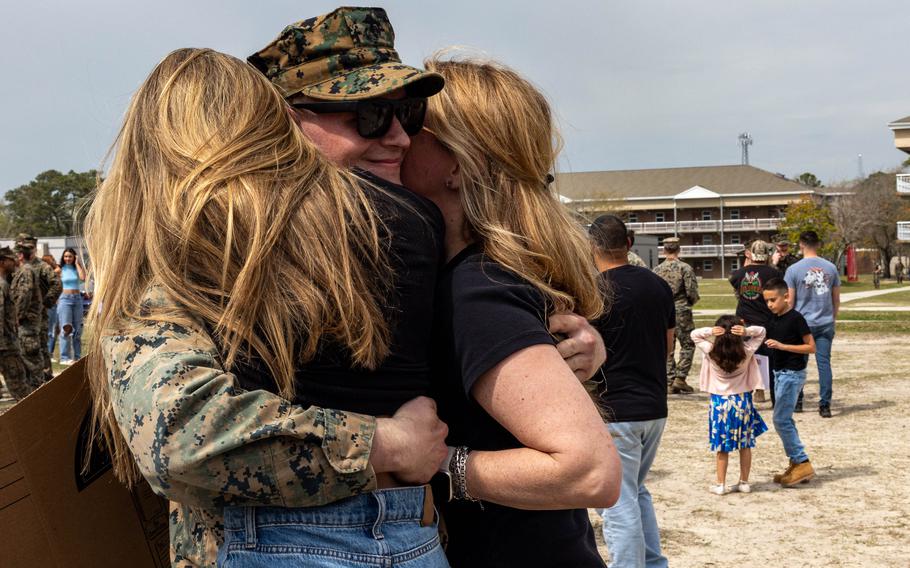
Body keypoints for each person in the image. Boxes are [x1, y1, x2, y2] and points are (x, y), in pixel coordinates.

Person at [402, 53, 620, 568]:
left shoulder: (477, 290)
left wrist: (440, 464)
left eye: (412, 121)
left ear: (457, 164)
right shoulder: (472, 277)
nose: (393, 133)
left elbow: (590, 472)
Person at [588, 215, 673, 568]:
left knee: (617, 502)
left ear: (592, 247)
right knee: (636, 492)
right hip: (654, 406)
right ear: (628, 243)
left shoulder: (594, 290)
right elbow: (668, 345)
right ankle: (653, 563)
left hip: (615, 409)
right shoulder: (658, 285)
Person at [692, 316, 768, 495]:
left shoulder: (711, 351)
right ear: (737, 333)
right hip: (742, 400)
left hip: (720, 403)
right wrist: (747, 331)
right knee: (745, 444)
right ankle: (744, 482)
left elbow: (694, 335)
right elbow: (762, 332)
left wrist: (710, 331)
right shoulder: (746, 351)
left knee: (722, 446)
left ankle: (720, 484)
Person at [762, 278, 817, 486]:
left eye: (773, 300)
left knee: (781, 420)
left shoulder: (796, 319)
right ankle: (796, 465)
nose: (769, 305)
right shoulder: (773, 319)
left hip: (792, 374)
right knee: (785, 419)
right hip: (779, 373)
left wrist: (783, 346)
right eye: (766, 301)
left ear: (786, 296)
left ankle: (802, 462)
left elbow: (811, 347)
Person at [784, 231, 839, 418]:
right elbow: (836, 298)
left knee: (799, 364)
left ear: (801, 245)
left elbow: (790, 301)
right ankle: (825, 405)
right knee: (824, 364)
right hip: (825, 321)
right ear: (818, 244)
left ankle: (798, 401)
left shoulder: (793, 269)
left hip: (802, 323)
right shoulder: (831, 268)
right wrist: (833, 317)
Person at [728, 240, 780, 403]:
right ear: (766, 254)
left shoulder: (738, 274)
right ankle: (774, 396)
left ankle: (750, 393)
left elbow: (735, 285)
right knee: (770, 359)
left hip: (745, 321)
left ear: (751, 254)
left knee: (748, 359)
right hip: (767, 320)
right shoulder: (774, 273)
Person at [654, 236, 699, 393]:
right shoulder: (685, 268)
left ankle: (668, 380)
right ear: (678, 249)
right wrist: (690, 303)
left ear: (664, 250)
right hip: (682, 310)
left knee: (667, 345)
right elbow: (691, 291)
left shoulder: (657, 270)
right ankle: (680, 378)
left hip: (663, 311)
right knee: (688, 343)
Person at [16, 234, 61, 379]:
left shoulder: (42, 266)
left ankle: (46, 376)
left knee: (40, 345)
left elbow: (57, 283)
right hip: (18, 314)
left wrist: (47, 301)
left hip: (37, 315)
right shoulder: (18, 265)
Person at [11, 242, 46, 390]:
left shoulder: (25, 271)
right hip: (28, 321)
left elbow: (24, 295)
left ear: (19, 255)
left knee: (31, 358)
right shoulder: (25, 270)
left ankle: (39, 391)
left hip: (27, 322)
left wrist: (17, 316)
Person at [0, 246, 33, 400]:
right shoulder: (1, 284)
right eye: (10, 259)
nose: (14, 262)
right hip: (4, 346)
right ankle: (36, 417)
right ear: (2, 262)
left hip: (7, 344)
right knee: (20, 387)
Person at [56, 247, 86, 365]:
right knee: (66, 329)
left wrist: (78, 262)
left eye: (70, 256)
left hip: (77, 299)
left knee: (78, 330)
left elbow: (83, 278)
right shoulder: (60, 269)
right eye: (66, 256)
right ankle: (64, 358)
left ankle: (77, 357)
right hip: (64, 300)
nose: (67, 258)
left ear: (74, 257)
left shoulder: (76, 268)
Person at [42, 254, 61, 361]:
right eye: (52, 260)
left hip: (53, 305)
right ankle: (49, 353)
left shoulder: (53, 273)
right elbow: (57, 270)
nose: (54, 261)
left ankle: (50, 352)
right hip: (50, 305)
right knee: (50, 330)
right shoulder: (50, 273)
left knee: (53, 330)